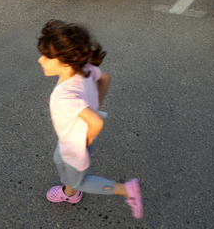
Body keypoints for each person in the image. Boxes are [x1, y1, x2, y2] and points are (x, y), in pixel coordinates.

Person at [37, 20, 143, 219]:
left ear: (66, 62)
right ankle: (70, 184)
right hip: (73, 137)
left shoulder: (64, 95)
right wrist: (94, 108)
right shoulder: (85, 69)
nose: (40, 61)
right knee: (60, 159)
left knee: (79, 180)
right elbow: (105, 78)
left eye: (47, 57)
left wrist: (88, 138)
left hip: (77, 143)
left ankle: (125, 190)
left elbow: (96, 123)